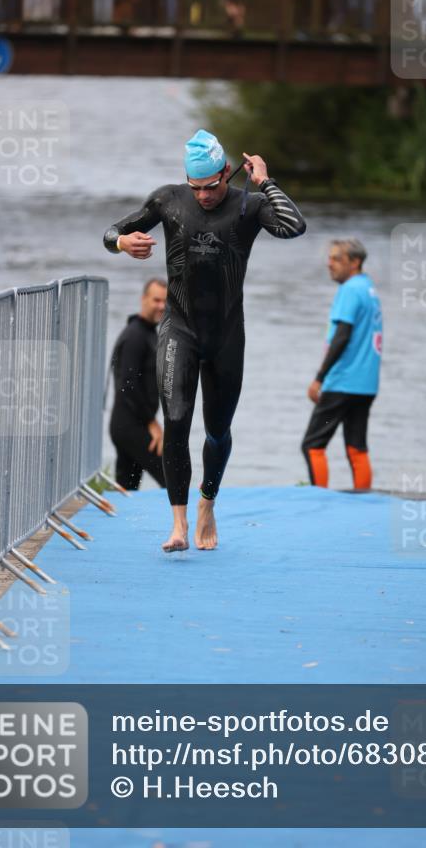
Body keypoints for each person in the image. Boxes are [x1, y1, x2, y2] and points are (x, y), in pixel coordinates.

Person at [103, 130, 306, 552]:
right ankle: (177, 525)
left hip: (228, 335)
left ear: (225, 174)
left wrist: (266, 182)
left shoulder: (249, 206)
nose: (202, 196)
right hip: (180, 329)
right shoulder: (168, 200)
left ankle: (207, 505)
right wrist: (122, 242)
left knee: (217, 431)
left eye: (211, 187)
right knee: (175, 421)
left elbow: (294, 226)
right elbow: (111, 232)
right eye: (194, 188)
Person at [302, 239, 382, 490]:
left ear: (355, 262)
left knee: (313, 445)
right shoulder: (369, 288)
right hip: (366, 384)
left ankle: (319, 499)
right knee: (356, 445)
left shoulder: (349, 289)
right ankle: (364, 498)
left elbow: (342, 336)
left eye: (337, 259)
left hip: (343, 381)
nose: (330, 264)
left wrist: (319, 377)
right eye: (330, 258)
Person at [109, 278, 168, 491]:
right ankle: (184, 523)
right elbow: (128, 385)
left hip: (129, 424)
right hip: (130, 425)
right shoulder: (135, 335)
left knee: (127, 488)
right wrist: (151, 422)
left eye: (165, 301)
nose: (161, 306)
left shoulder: (149, 332)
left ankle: (119, 522)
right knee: (172, 476)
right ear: (143, 299)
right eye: (156, 300)